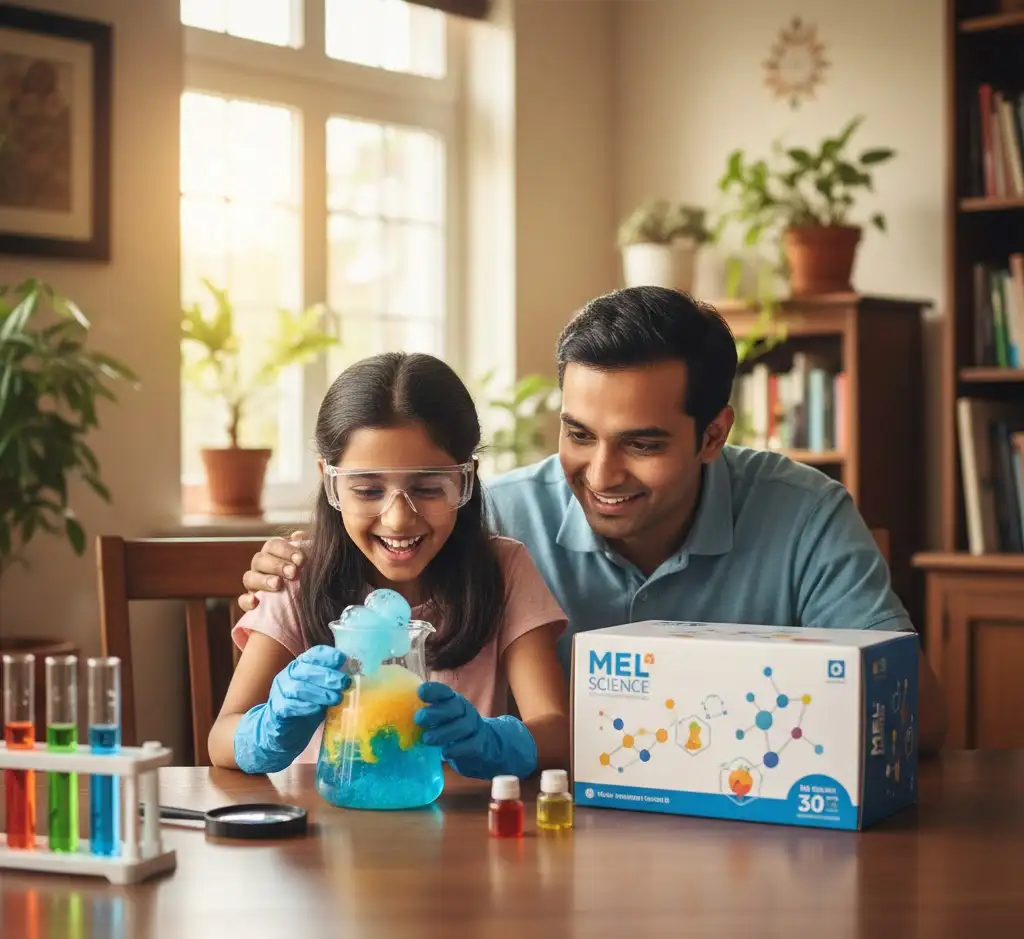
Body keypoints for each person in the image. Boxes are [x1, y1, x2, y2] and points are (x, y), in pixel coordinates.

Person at [239, 287, 947, 754]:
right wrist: (295, 562)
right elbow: (377, 545)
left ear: (712, 433)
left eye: (642, 443)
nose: (601, 474)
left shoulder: (806, 515)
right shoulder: (496, 522)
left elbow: (920, 717)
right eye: (579, 433)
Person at [209, 352, 569, 780]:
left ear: (465, 479)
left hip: (456, 833)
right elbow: (221, 739)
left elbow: (557, 732)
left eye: (430, 488)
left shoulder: (503, 568)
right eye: (367, 490)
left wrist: (492, 742)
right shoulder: (297, 574)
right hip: (324, 829)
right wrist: (268, 730)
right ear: (330, 481)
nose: (398, 518)